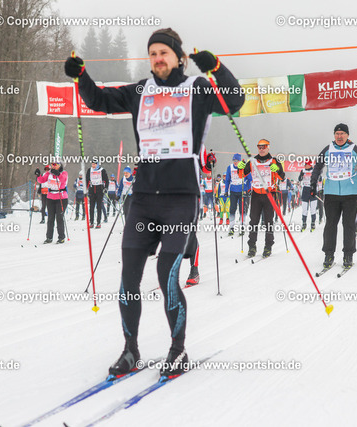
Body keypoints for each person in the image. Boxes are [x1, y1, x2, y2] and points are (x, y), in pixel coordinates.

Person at [64, 27, 243, 378]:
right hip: (144, 199)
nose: (158, 59)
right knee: (128, 279)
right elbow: (98, 100)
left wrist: (217, 68)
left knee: (167, 275)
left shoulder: (197, 89)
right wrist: (81, 76)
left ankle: (178, 350)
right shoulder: (140, 91)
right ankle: (130, 350)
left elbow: (234, 101)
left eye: (164, 53)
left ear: (179, 57)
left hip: (181, 198)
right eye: (153, 54)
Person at [310, 123, 357, 268]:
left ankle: (348, 255)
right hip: (331, 193)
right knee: (330, 225)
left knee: (349, 225)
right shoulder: (328, 149)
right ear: (334, 135)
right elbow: (318, 166)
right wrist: (313, 183)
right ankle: (328, 254)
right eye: (337, 134)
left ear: (347, 135)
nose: (339, 136)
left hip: (351, 193)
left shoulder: (355, 149)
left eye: (342, 133)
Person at [237, 138, 285, 258]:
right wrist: (240, 168)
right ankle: (252, 246)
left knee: (269, 221)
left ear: (268, 147)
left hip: (270, 194)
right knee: (254, 221)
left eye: (264, 147)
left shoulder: (274, 160)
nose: (261, 149)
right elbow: (242, 175)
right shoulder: (252, 161)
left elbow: (282, 177)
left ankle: (268, 246)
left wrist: (277, 169)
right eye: (259, 147)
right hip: (256, 194)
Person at [36, 161, 68, 243]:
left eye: (55, 165)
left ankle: (61, 237)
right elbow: (41, 180)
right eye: (52, 164)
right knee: (50, 218)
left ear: (59, 165)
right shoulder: (48, 173)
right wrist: (38, 175)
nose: (53, 166)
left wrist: (58, 174)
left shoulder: (64, 173)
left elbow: (63, 180)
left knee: (59, 218)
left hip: (61, 198)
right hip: (50, 198)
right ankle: (49, 238)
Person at [224, 153, 250, 236]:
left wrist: (248, 189)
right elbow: (227, 180)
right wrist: (226, 191)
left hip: (242, 191)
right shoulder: (230, 167)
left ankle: (242, 227)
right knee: (232, 209)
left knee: (242, 210)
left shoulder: (244, 167)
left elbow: (250, 179)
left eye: (237, 160)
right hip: (233, 191)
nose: (235, 162)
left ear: (240, 161)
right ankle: (231, 228)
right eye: (234, 160)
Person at [85, 160, 108, 228]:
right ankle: (91, 222)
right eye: (92, 164)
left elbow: (106, 180)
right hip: (92, 190)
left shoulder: (102, 170)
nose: (93, 165)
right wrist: (86, 189)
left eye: (94, 164)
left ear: (97, 164)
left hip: (99, 190)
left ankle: (98, 222)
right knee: (91, 207)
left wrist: (106, 188)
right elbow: (87, 180)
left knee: (99, 207)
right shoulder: (89, 170)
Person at [298, 160, 317, 232]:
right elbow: (299, 179)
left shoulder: (314, 170)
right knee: (304, 208)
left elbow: (318, 179)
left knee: (313, 208)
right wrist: (301, 175)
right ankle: (304, 223)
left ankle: (313, 223)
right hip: (305, 190)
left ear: (309, 165)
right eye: (305, 164)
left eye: (306, 164)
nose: (305, 166)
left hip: (312, 189)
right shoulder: (303, 170)